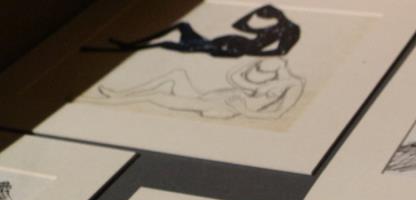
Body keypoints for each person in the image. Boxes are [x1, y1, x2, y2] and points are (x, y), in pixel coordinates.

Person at [91, 57, 304, 120]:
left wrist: (244, 111)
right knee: (177, 74)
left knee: (156, 96)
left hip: (222, 106)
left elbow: (278, 113)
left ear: (281, 64)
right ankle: (123, 93)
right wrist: (252, 62)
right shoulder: (270, 81)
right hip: (213, 97)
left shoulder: (293, 85)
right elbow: (234, 78)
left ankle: (111, 101)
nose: (261, 66)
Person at [84, 4, 300, 58]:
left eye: (264, 13)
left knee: (166, 43)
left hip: (225, 47)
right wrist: (252, 13)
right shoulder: (272, 26)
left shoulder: (289, 29)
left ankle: (125, 49)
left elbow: (280, 51)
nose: (262, 16)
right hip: (216, 42)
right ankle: (129, 45)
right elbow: (239, 26)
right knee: (183, 25)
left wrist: (242, 52)